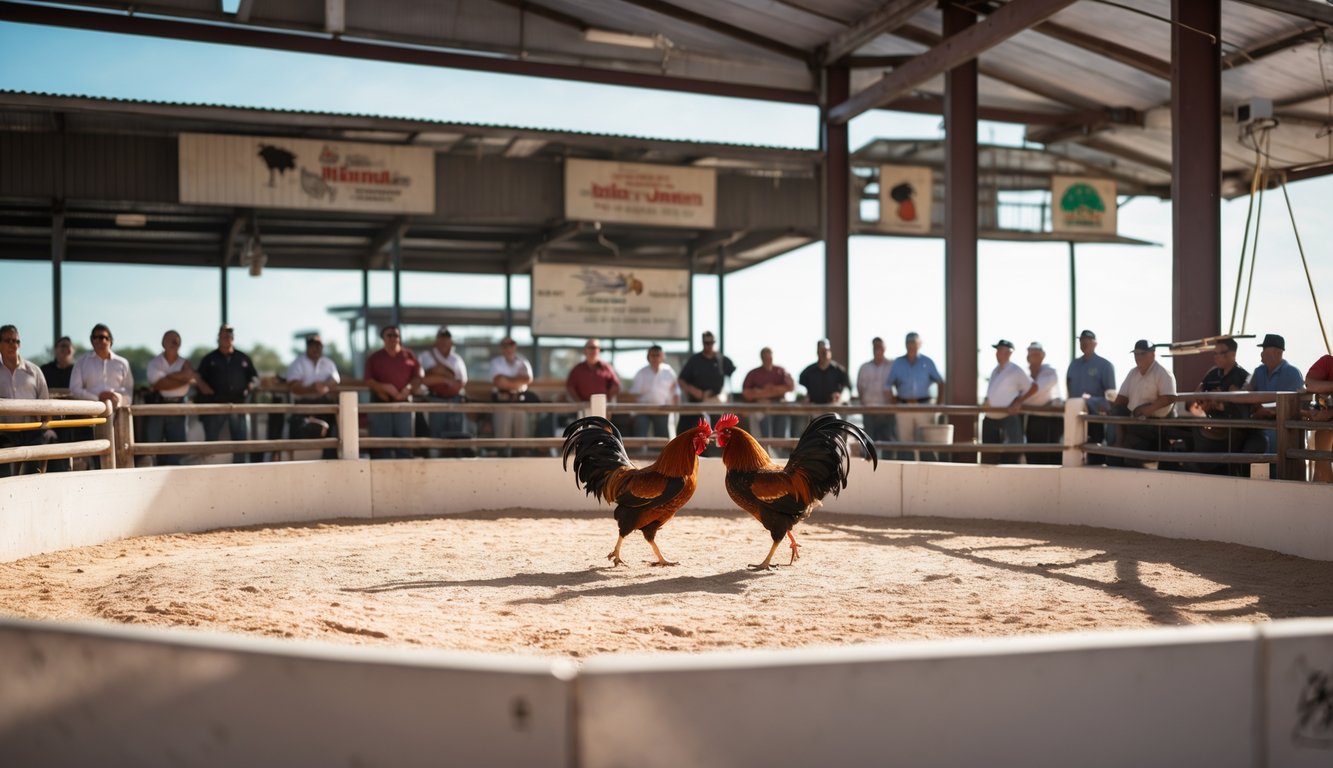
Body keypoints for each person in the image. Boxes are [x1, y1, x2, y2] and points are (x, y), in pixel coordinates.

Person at [1186, 337, 1260, 475]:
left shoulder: (1243, 377)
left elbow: (1242, 409)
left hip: (1232, 429)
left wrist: (1221, 404)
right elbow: (1196, 396)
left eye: (1222, 353)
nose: (1217, 357)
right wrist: (1206, 402)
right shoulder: (1212, 374)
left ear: (1233, 353)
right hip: (1213, 425)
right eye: (1215, 353)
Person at [69, 323, 135, 470]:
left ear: (110, 340)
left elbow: (129, 392)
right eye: (97, 338)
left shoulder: (122, 363)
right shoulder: (81, 362)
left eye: (104, 337)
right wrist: (98, 399)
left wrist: (116, 398)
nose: (101, 341)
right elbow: (74, 389)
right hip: (89, 418)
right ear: (92, 340)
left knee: (120, 454)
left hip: (118, 417)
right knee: (90, 455)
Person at [194, 324, 259, 464]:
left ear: (233, 338)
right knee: (211, 440)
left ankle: (240, 469)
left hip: (238, 404)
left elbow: (254, 377)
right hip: (214, 404)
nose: (227, 338)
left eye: (229, 336)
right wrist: (205, 388)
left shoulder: (243, 358)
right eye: (224, 336)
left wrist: (251, 385)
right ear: (218, 338)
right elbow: (198, 377)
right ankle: (208, 469)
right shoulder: (209, 359)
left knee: (241, 442)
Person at [1109, 340, 1177, 468]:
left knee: (1129, 454)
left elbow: (1169, 397)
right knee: (1116, 414)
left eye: (1142, 354)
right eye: (1136, 354)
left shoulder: (1163, 373)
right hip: (1136, 422)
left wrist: (1148, 410)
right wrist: (1111, 409)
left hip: (1156, 425)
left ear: (1153, 354)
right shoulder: (1132, 373)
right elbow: (1121, 399)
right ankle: (1119, 442)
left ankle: (1121, 444)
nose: (1138, 357)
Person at [1246, 334, 1305, 477]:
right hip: (1261, 430)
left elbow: (1294, 406)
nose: (1261, 353)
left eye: (1265, 349)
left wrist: (1264, 411)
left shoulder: (1293, 373)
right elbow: (1247, 393)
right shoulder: (1258, 371)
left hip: (1284, 431)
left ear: (1278, 352)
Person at [0, 324, 52, 478]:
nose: (13, 345)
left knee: (51, 437)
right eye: (8, 340)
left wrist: (44, 426)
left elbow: (46, 406)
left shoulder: (34, 371)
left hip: (32, 431)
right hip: (3, 432)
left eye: (16, 341)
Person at [365, 324, 422, 459]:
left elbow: (418, 376)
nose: (393, 338)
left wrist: (409, 388)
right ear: (383, 338)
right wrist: (385, 388)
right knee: (381, 444)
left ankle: (406, 475)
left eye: (396, 335)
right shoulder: (374, 357)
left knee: (405, 444)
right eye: (389, 335)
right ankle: (380, 475)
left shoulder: (409, 355)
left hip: (404, 403)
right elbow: (369, 381)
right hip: (381, 404)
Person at [887, 331, 946, 460]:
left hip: (924, 406)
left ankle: (929, 473)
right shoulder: (898, 363)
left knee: (926, 442)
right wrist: (894, 404)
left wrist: (938, 405)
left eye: (914, 342)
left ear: (920, 344)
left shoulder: (928, 362)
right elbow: (887, 386)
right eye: (908, 342)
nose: (911, 346)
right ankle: (906, 474)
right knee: (904, 444)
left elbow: (941, 382)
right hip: (903, 407)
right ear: (905, 345)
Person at [144, 329, 196, 466]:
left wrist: (167, 377)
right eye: (171, 339)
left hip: (179, 407)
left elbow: (189, 376)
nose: (174, 342)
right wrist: (183, 379)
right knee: (155, 445)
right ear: (163, 343)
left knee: (177, 448)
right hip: (158, 406)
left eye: (177, 340)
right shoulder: (155, 362)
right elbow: (158, 384)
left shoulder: (185, 363)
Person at [1065, 329, 1117, 465]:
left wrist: (1090, 401)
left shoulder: (1105, 365)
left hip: (1095, 418)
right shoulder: (1073, 365)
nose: (1083, 343)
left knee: (1095, 454)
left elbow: (1111, 398)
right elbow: (1069, 389)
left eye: (1087, 341)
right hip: (1075, 419)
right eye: (1081, 341)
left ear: (1095, 343)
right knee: (1073, 450)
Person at [285, 333, 340, 459]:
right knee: (298, 430)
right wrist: (314, 388)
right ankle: (296, 462)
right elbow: (293, 386)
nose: (316, 348)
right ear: (307, 347)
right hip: (303, 404)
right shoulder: (298, 362)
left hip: (324, 403)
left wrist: (324, 385)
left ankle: (330, 458)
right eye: (313, 345)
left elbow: (336, 379)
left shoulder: (327, 362)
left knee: (335, 426)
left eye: (319, 345)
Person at [980, 339, 1035, 465]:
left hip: (1008, 417)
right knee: (989, 455)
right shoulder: (995, 370)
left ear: (1009, 353)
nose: (998, 353)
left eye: (1001, 350)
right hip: (991, 417)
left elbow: (1033, 387)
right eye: (997, 351)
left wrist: (1018, 402)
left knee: (1010, 455)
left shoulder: (1016, 370)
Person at [420, 327, 469, 442]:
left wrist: (438, 374)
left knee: (456, 434)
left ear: (451, 342)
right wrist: (446, 379)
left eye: (446, 339)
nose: (444, 342)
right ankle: (434, 458)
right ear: (436, 341)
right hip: (434, 398)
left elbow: (462, 381)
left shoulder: (457, 359)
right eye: (441, 339)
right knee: (435, 435)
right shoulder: (427, 356)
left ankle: (455, 458)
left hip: (455, 400)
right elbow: (424, 380)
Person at [489, 337, 534, 453]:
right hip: (503, 400)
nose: (509, 349)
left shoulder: (523, 361)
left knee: (521, 438)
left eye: (511, 345)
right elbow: (499, 382)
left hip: (520, 400)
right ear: (502, 348)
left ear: (515, 347)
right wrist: (517, 380)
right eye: (506, 346)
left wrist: (507, 380)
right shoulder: (496, 361)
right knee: (502, 440)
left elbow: (528, 379)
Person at [741, 346, 795, 442]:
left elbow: (790, 387)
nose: (768, 360)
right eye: (765, 358)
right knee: (761, 421)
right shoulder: (753, 373)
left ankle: (780, 449)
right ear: (761, 358)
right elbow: (746, 394)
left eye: (769, 357)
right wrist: (771, 393)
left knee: (783, 422)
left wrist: (763, 391)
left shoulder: (780, 371)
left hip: (778, 407)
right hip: (761, 408)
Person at [39, 336, 76, 472]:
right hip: (50, 418)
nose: (65, 349)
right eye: (62, 346)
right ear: (55, 350)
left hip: (74, 418)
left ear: (73, 350)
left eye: (68, 346)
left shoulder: (78, 370)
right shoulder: (44, 370)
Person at [1023, 342, 1062, 465]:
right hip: (1034, 419)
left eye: (1036, 354)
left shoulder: (1050, 372)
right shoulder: (1025, 375)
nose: (1033, 357)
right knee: (1033, 455)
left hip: (1053, 419)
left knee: (1053, 456)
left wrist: (1021, 401)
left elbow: (1036, 392)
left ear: (1043, 356)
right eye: (1031, 354)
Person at [629, 344, 678, 439]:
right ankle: (640, 453)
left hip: (662, 409)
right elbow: (634, 394)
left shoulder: (669, 371)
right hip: (643, 409)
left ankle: (661, 454)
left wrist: (674, 411)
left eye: (658, 355)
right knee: (640, 437)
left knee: (662, 439)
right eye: (653, 355)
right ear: (648, 357)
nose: (655, 358)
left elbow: (676, 391)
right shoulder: (641, 372)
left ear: (662, 356)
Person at [856, 337, 896, 446]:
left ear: (885, 348)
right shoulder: (864, 367)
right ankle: (869, 462)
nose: (878, 349)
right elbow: (860, 387)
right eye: (875, 347)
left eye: (880, 347)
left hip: (887, 411)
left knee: (888, 442)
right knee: (868, 443)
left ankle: (888, 463)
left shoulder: (892, 366)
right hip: (869, 410)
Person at [1304, 351, 1333, 483]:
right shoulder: (1328, 362)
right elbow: (1310, 384)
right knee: (1322, 436)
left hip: (1327, 420)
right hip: (1326, 425)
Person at [566, 338, 621, 403]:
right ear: (585, 350)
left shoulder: (606, 368)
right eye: (591, 348)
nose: (594, 350)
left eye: (597, 348)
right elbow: (570, 388)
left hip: (602, 406)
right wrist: (579, 403)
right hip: (583, 408)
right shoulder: (577, 369)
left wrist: (608, 400)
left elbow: (616, 385)